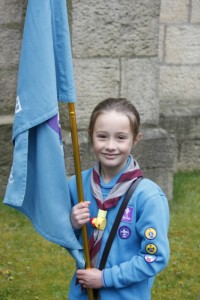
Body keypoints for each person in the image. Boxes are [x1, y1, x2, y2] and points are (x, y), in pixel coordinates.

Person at [68, 98, 170, 300]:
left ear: (136, 139)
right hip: (82, 293)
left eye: (121, 137)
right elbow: (68, 241)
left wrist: (105, 278)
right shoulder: (77, 185)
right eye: (102, 136)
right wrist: (71, 224)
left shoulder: (148, 197)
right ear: (91, 137)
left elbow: (154, 257)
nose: (110, 146)